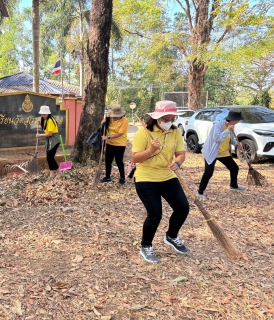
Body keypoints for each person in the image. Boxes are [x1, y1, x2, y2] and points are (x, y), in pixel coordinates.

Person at [132, 100, 189, 263]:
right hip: (146, 177)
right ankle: (146, 245)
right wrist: (151, 150)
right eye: (166, 118)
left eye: (172, 118)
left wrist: (177, 163)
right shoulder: (144, 132)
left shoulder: (175, 131)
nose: (169, 121)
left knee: (182, 208)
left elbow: (181, 153)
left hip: (167, 175)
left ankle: (171, 236)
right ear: (158, 118)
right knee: (155, 214)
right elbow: (135, 158)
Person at [196, 110, 245, 199]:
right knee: (208, 172)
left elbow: (231, 138)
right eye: (238, 120)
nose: (238, 122)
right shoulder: (218, 125)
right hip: (212, 152)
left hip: (224, 153)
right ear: (233, 119)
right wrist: (227, 130)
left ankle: (233, 186)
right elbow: (217, 138)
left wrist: (237, 143)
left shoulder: (231, 127)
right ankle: (200, 192)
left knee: (234, 168)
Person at [100, 105, 129, 185]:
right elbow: (103, 122)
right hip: (110, 143)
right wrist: (103, 123)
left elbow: (120, 133)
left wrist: (108, 137)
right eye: (113, 116)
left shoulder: (125, 121)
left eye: (116, 116)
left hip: (120, 144)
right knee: (108, 160)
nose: (114, 118)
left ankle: (122, 178)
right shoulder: (109, 117)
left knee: (118, 160)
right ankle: (107, 177)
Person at [36, 105, 61, 180]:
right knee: (49, 158)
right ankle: (52, 172)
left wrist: (40, 135)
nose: (43, 116)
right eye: (42, 114)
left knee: (50, 157)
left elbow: (50, 133)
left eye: (44, 114)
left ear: (48, 114)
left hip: (54, 140)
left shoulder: (50, 120)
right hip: (50, 140)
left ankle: (58, 173)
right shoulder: (46, 120)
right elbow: (46, 128)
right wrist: (41, 123)